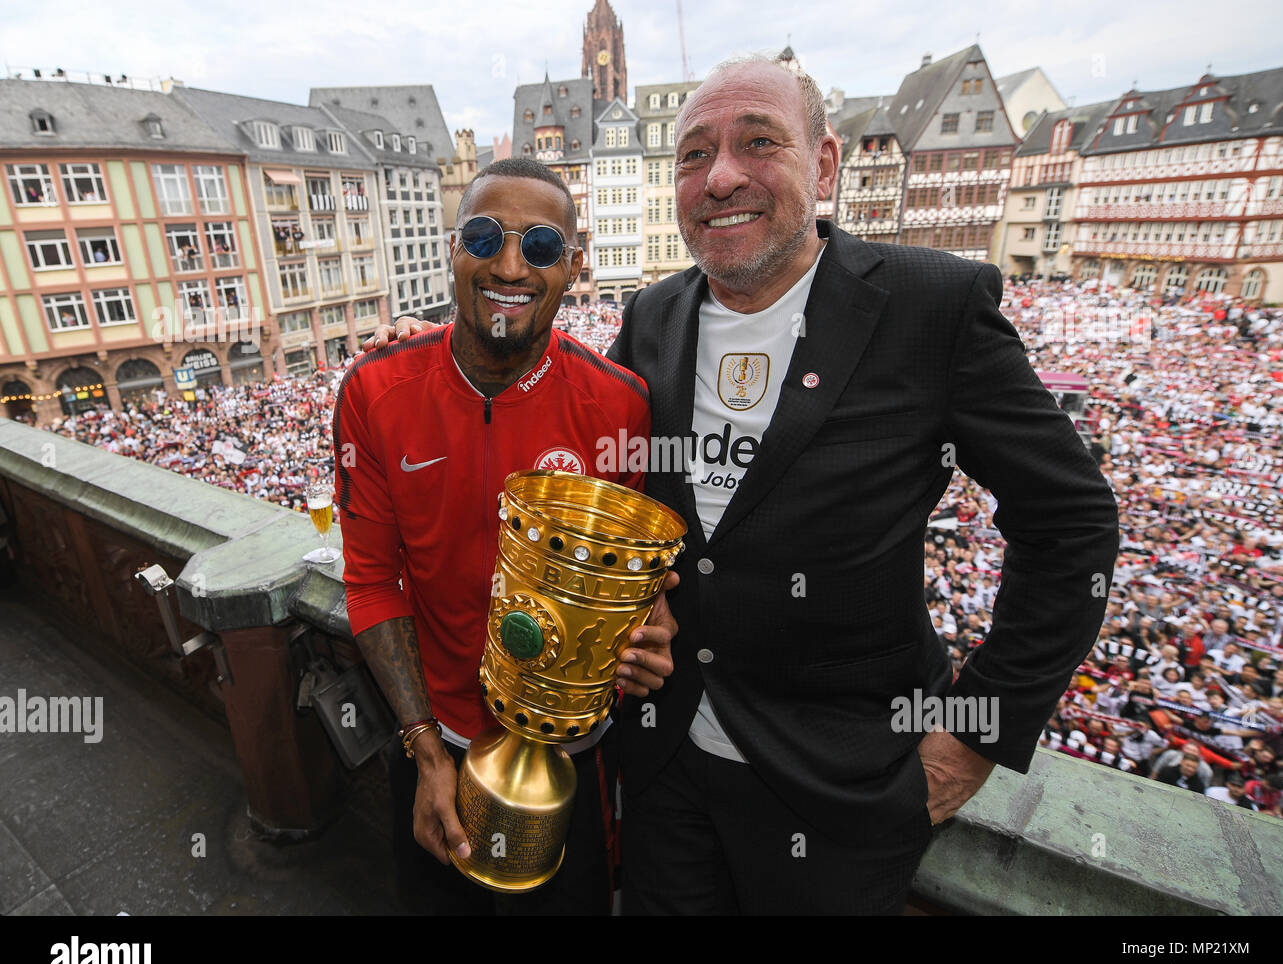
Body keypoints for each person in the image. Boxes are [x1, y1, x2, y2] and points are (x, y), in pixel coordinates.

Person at [368, 54, 1118, 914]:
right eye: (694, 154)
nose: (721, 176)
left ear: (824, 164)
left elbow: (1073, 526)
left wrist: (972, 737)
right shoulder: (655, 315)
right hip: (665, 772)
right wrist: (431, 354)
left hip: (835, 788)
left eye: (757, 143)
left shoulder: (931, 306)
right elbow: (593, 467)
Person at [334, 156, 677, 915]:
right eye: (484, 236)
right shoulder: (374, 392)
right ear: (452, 249)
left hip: (569, 753)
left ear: (573, 266)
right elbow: (369, 580)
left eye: (543, 246)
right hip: (435, 736)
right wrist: (424, 747)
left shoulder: (621, 404)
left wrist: (647, 625)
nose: (512, 265)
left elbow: (632, 584)